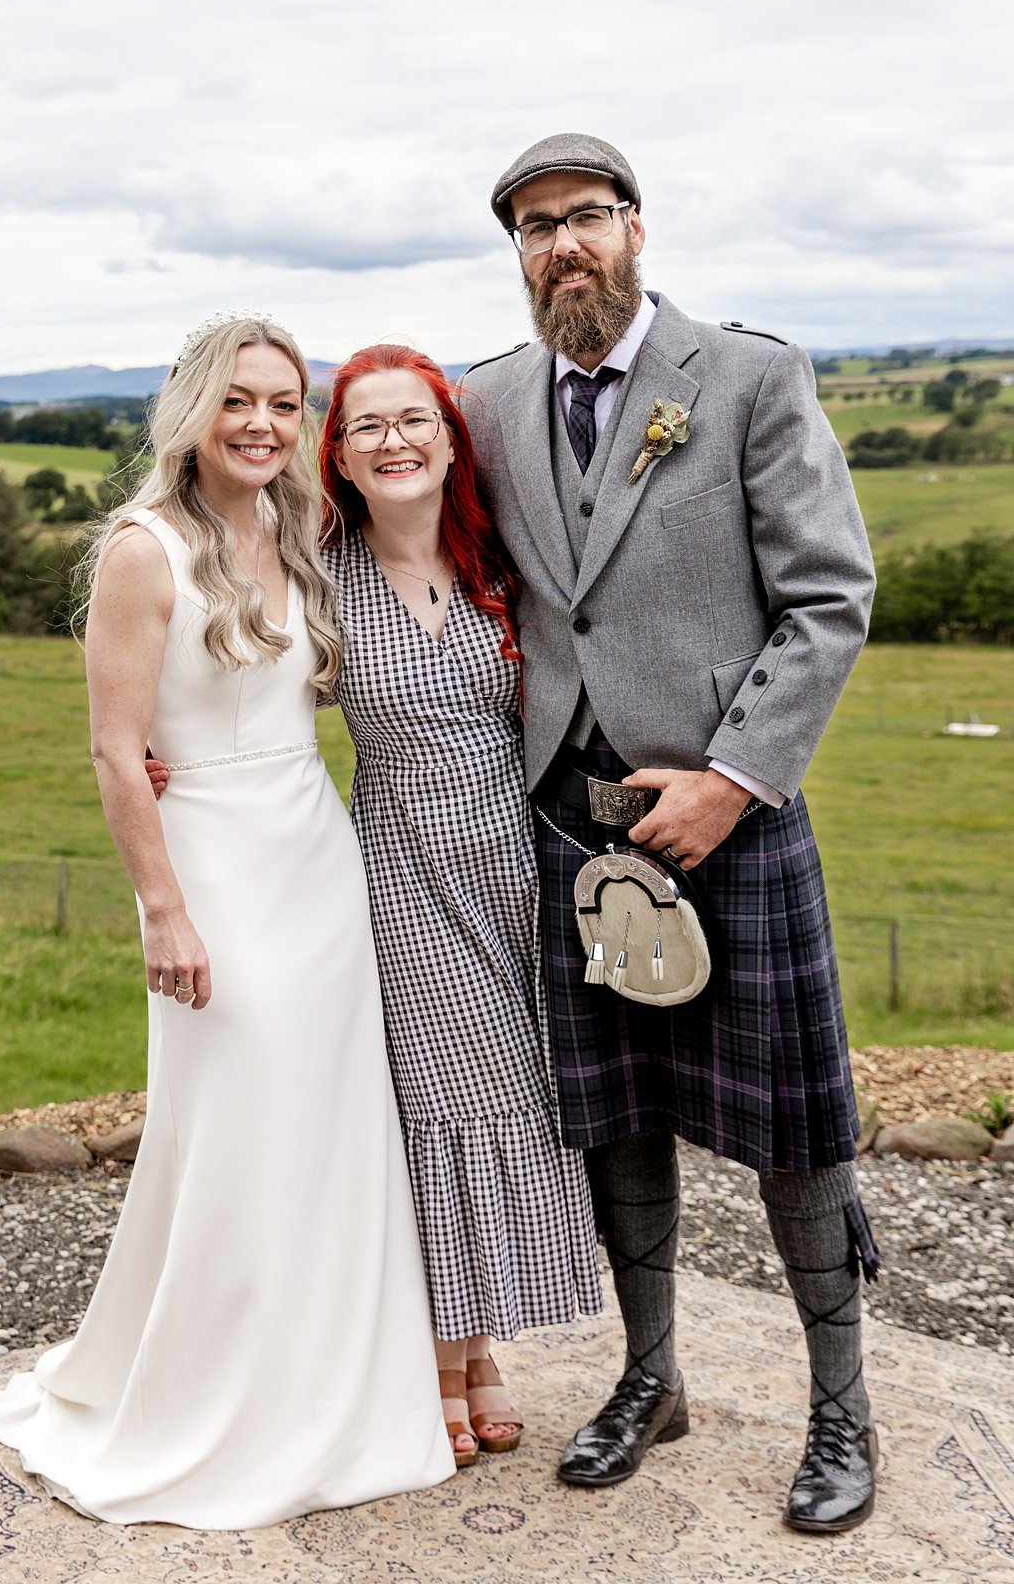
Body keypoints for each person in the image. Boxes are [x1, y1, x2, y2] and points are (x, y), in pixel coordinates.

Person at [459, 134, 881, 1534]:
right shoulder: (488, 401)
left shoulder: (749, 377)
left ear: (635, 226)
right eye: (534, 228)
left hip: (727, 827)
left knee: (795, 1128)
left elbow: (829, 597)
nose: (561, 246)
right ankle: (653, 1377)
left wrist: (732, 776)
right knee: (616, 1118)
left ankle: (842, 1410)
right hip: (569, 829)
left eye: (583, 216)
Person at [0, 312, 455, 1528]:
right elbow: (115, 750)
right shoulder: (144, 551)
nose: (261, 423)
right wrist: (165, 913)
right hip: (215, 875)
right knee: (239, 1137)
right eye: (238, 400)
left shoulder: (302, 528)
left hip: (318, 859)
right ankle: (218, 1406)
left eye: (285, 404)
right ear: (192, 410)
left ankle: (340, 1394)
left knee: (333, 1134)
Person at [319, 344, 602, 1464]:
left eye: (412, 421)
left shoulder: (505, 562)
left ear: (449, 440)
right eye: (366, 426)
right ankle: (443, 1358)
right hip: (400, 869)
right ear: (340, 457)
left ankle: (478, 1349)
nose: (392, 442)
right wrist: (163, 751)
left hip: (519, 864)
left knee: (514, 1094)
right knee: (444, 1098)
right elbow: (227, 665)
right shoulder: (316, 571)